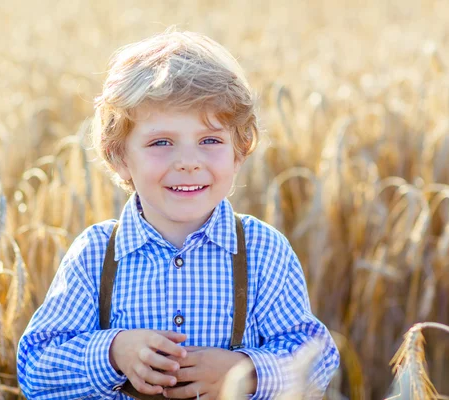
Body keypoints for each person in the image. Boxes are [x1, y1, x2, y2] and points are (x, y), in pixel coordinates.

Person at [17, 29, 340, 399]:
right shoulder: (94, 255)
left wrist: (245, 371)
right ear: (120, 157)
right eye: (161, 142)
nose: (188, 162)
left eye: (210, 140)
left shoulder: (263, 251)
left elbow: (317, 362)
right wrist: (113, 352)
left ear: (238, 152)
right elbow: (35, 369)